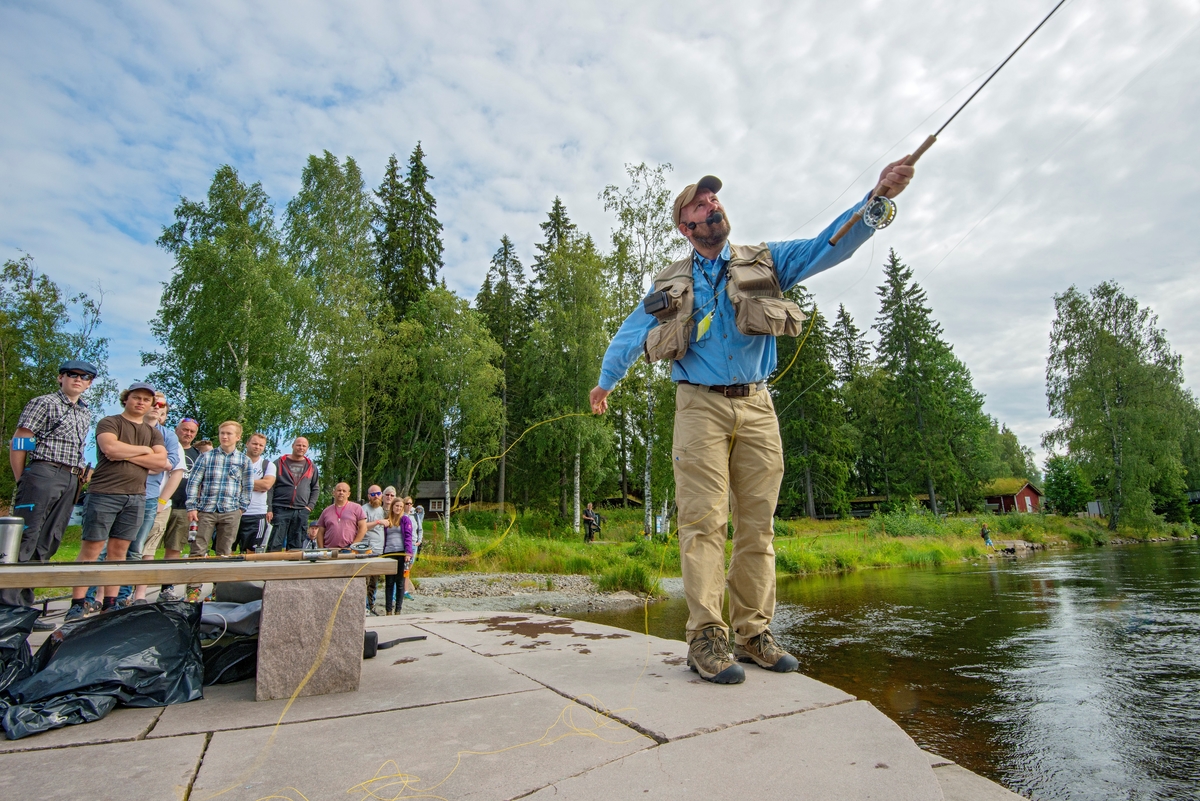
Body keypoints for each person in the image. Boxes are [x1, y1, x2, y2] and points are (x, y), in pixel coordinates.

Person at [589, 164, 914, 684]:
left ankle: (753, 634)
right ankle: (705, 637)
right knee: (703, 523)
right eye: (700, 205)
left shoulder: (766, 260)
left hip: (758, 405)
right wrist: (606, 383)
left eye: (715, 200)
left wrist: (873, 203)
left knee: (758, 527)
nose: (712, 206)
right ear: (685, 226)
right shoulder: (669, 284)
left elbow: (829, 246)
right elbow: (631, 334)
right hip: (698, 406)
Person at [2, 359, 96, 627]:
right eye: (71, 374)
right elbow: (21, 440)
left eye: (85, 377)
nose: (78, 380)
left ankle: (25, 607)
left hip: (71, 477)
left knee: (49, 540)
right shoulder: (44, 403)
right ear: (60, 378)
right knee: (26, 538)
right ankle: (8, 610)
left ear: (89, 383)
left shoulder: (84, 412)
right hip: (43, 471)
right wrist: (23, 479)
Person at [66, 382, 169, 622]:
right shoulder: (110, 422)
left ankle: (110, 603)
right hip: (104, 493)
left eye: (146, 399)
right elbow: (110, 449)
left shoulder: (153, 432)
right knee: (91, 549)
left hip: (136, 496)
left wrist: (132, 453)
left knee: (119, 552)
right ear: (127, 399)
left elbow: (162, 463)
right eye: (136, 397)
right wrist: (146, 453)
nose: (141, 402)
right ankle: (78, 602)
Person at [110, 392, 183, 605]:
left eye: (161, 404)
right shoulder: (122, 425)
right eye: (153, 402)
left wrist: (131, 458)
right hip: (117, 492)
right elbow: (111, 455)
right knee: (110, 548)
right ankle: (97, 598)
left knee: (137, 549)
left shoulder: (167, 436)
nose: (155, 407)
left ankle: (124, 597)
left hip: (150, 497)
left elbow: (168, 465)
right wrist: (149, 460)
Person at [184, 420, 253, 602]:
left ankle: (219, 590)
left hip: (230, 510)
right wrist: (192, 506)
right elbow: (193, 482)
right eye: (222, 433)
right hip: (206, 509)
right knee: (198, 550)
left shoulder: (243, 460)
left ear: (237, 437)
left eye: (229, 434)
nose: (224, 436)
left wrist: (241, 507)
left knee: (224, 552)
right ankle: (193, 591)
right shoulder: (206, 457)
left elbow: (247, 486)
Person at [159, 417, 200, 601]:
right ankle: (132, 589)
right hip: (160, 504)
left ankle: (167, 587)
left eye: (192, 432)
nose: (188, 434)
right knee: (146, 549)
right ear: (177, 429)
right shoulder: (166, 447)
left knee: (174, 549)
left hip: (183, 507)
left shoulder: (197, 455)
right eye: (185, 430)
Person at [268, 437, 319, 551]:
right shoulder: (279, 463)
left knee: (296, 545)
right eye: (298, 445)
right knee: (275, 543)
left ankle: (293, 568)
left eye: (304, 446)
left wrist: (309, 507)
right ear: (292, 446)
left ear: (307, 448)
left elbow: (315, 488)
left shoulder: (311, 466)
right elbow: (270, 487)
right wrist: (269, 508)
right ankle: (271, 567)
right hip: (280, 508)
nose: (301, 448)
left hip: (301, 510)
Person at [235, 432, 276, 553]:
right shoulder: (236, 461)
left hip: (257, 514)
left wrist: (240, 483)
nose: (257, 447)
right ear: (247, 443)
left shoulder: (268, 465)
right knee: (226, 550)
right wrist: (257, 484)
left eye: (261, 445)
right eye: (254, 443)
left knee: (252, 552)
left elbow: (266, 485)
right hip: (233, 511)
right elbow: (227, 483)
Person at [382, 497, 415, 615]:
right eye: (397, 506)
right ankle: (388, 610)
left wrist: (408, 552)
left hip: (401, 553)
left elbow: (408, 537)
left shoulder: (405, 520)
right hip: (389, 553)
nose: (399, 508)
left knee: (400, 582)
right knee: (389, 582)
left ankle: (398, 609)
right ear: (393, 507)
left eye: (401, 507)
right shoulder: (387, 520)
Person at [311, 482, 367, 549]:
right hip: (329, 550)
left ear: (348, 494)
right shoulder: (326, 511)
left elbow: (363, 528)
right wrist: (321, 549)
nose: (341, 493)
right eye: (339, 490)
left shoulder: (357, 508)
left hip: (348, 549)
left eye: (344, 491)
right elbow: (320, 532)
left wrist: (353, 546)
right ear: (334, 493)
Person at [362, 484, 387, 613]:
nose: (375, 496)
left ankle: (372, 604)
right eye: (372, 494)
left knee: (374, 580)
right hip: (367, 549)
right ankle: (364, 606)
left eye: (377, 493)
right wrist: (378, 522)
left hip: (379, 550)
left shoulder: (382, 510)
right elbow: (362, 526)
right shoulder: (364, 509)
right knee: (365, 579)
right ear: (368, 496)